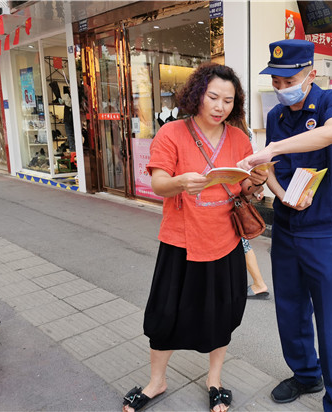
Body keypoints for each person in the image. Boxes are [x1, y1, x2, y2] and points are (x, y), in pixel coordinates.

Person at [122, 63, 269, 412]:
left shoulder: (239, 139)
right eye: (213, 97)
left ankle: (214, 380)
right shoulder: (172, 133)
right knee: (165, 314)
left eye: (228, 101)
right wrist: (179, 182)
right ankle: (157, 382)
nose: (220, 107)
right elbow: (158, 183)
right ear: (197, 95)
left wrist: (257, 183)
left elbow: (244, 188)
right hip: (181, 241)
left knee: (223, 314)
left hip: (225, 241)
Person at [237, 39, 332, 411]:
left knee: (331, 318)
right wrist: (279, 193)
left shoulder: (331, 101)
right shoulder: (276, 116)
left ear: (311, 74)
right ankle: (306, 374)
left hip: (323, 228)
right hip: (288, 224)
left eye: (288, 81)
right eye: (275, 82)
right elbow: (271, 170)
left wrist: (274, 147)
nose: (281, 88)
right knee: (289, 308)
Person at [231, 117, 270, 299]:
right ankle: (258, 283)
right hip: (243, 193)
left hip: (232, 195)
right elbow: (255, 168)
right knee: (241, 241)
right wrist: (256, 190)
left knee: (241, 241)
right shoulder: (247, 132)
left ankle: (259, 283)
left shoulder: (231, 134)